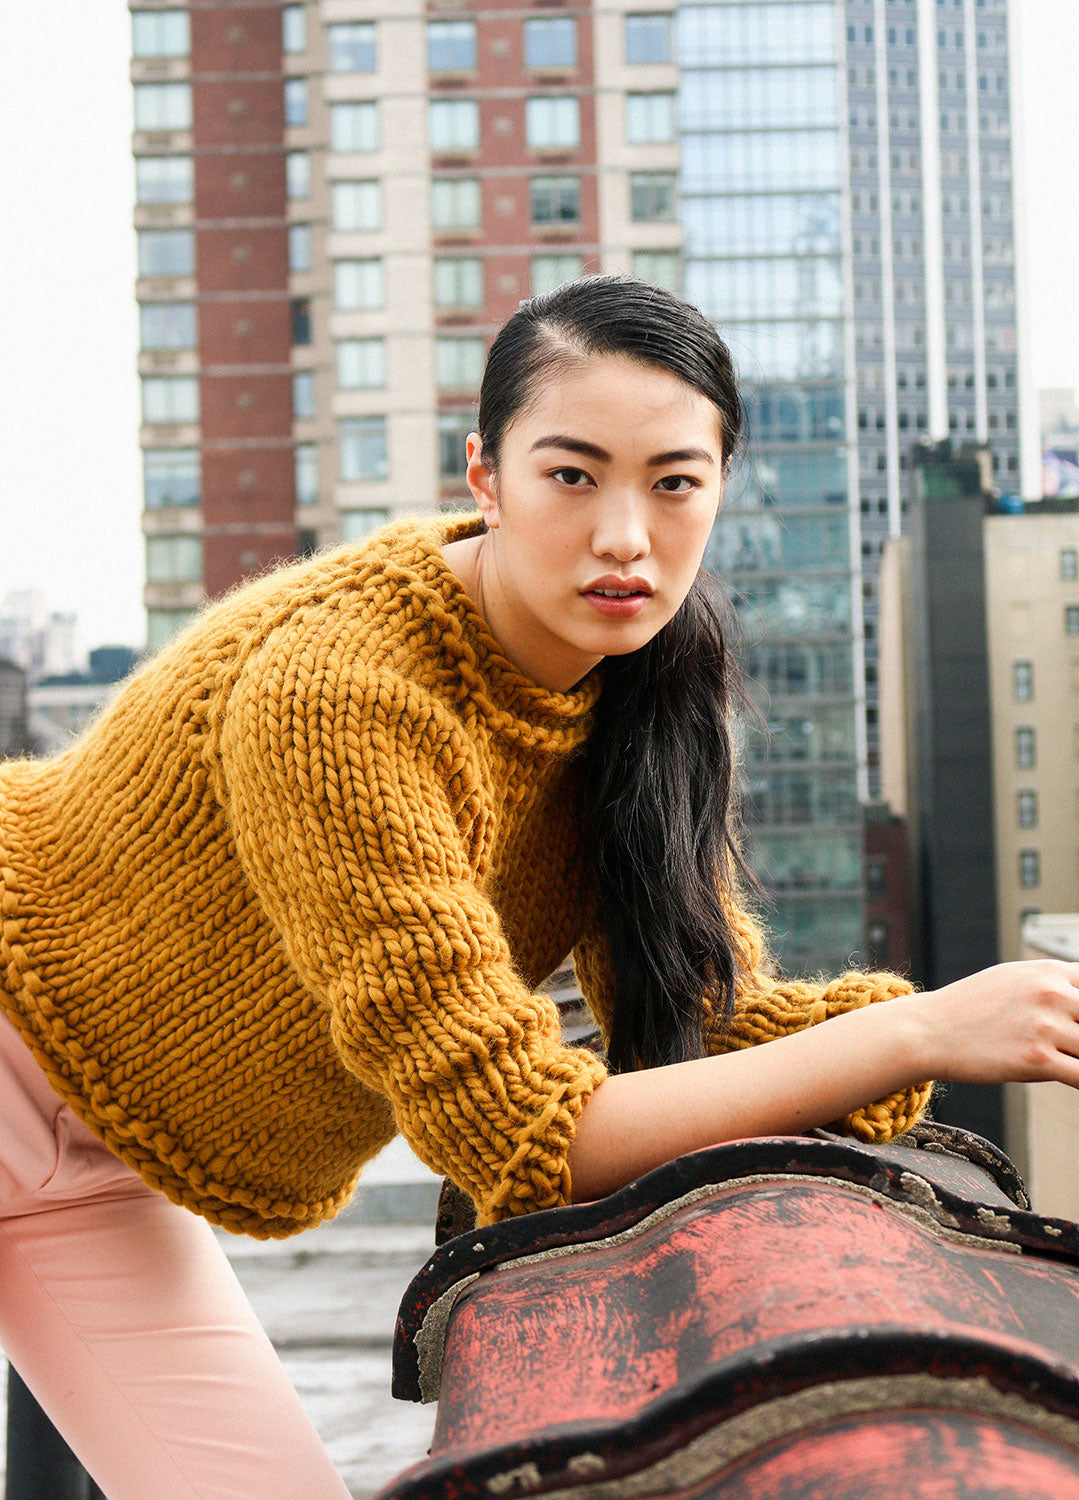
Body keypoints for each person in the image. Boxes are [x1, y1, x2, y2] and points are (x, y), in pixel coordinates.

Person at [0, 275, 1076, 1498]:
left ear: (719, 488)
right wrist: (922, 1029)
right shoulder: (341, 690)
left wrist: (973, 1020)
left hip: (96, 1175)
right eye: (572, 475)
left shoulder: (635, 695)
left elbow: (700, 1028)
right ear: (485, 476)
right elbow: (522, 1136)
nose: (624, 536)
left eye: (672, 483)